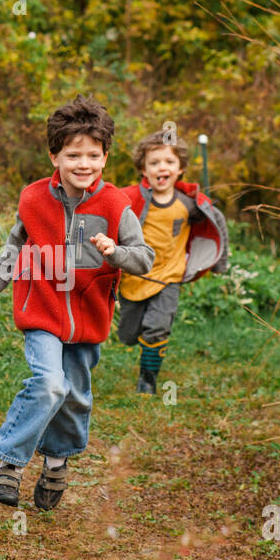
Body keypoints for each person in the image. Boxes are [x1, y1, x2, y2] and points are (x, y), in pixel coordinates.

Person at [0, 96, 154, 510]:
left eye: (93, 155)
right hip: (41, 311)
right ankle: (10, 464)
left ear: (105, 158)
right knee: (49, 383)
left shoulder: (115, 205)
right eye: (73, 154)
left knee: (73, 395)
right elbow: (16, 245)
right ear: (54, 155)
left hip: (89, 319)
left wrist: (114, 252)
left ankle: (56, 463)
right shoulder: (33, 199)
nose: (83, 163)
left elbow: (144, 259)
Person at [117, 130, 229, 393]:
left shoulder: (189, 204)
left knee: (157, 328)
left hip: (169, 276)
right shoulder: (129, 199)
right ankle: (139, 345)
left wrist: (219, 262)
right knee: (129, 334)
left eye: (169, 162)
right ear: (143, 169)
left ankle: (148, 380)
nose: (161, 168)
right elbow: (105, 212)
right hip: (135, 275)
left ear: (181, 169)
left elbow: (218, 221)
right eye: (154, 163)